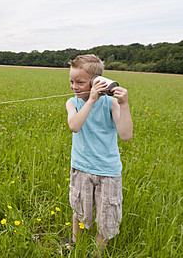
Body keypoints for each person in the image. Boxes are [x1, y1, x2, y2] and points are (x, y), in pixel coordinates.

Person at [65, 54, 133, 257]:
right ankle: (74, 243)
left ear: (96, 82)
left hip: (108, 171)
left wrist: (124, 104)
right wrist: (91, 99)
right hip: (81, 166)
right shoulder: (72, 103)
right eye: (71, 81)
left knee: (107, 214)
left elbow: (126, 135)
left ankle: (97, 252)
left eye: (79, 82)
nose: (74, 86)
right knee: (79, 207)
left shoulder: (111, 104)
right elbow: (75, 126)